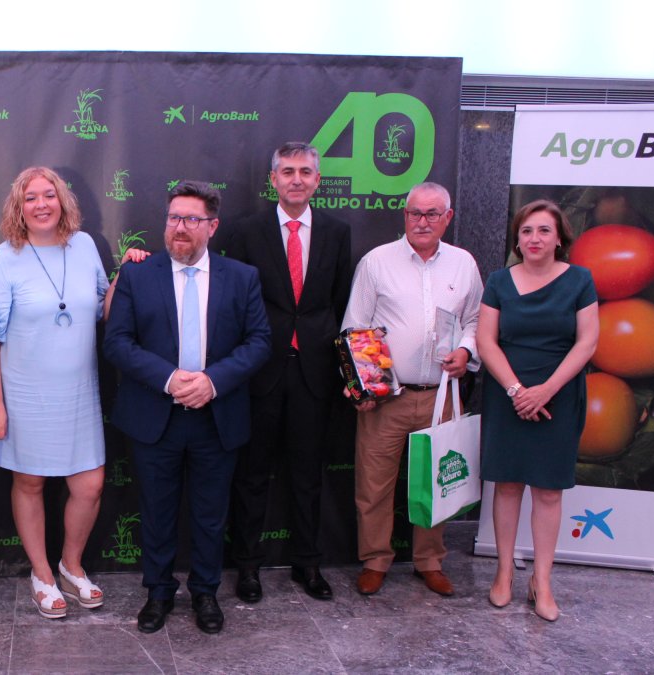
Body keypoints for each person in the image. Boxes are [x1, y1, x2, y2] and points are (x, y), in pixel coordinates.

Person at [0, 166, 143, 620]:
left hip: (79, 394)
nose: (42, 204)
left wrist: (127, 274)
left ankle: (71, 565)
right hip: (24, 395)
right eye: (31, 198)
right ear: (18, 207)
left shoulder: (85, 246)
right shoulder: (2, 259)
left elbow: (105, 310)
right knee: (29, 481)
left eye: (49, 195)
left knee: (90, 485)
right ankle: (42, 574)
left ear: (63, 201)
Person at [105, 180, 270, 634]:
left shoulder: (242, 277)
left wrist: (212, 382)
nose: (180, 228)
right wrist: (170, 378)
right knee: (156, 511)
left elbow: (259, 343)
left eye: (192, 220)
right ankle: (158, 593)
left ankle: (205, 592)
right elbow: (117, 342)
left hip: (216, 417)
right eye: (174, 218)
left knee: (210, 513)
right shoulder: (138, 275)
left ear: (212, 227)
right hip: (154, 416)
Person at [224, 142, 352, 602]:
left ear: (318, 180)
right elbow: (234, 303)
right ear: (273, 179)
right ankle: (248, 567)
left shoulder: (338, 233)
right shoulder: (246, 232)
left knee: (307, 476)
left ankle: (308, 564)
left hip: (315, 374)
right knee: (252, 476)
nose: (296, 179)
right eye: (287, 171)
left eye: (305, 171)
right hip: (259, 372)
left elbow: (337, 304)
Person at [341, 181, 483, 598]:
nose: (422, 221)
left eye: (432, 214)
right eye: (414, 213)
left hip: (443, 394)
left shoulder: (463, 264)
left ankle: (429, 561)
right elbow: (355, 327)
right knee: (374, 484)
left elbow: (474, 321)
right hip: (389, 397)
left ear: (447, 218)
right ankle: (375, 560)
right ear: (404, 216)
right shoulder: (376, 262)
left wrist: (465, 348)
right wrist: (365, 388)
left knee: (436, 481)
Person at [476, 200, 598, 622]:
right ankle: (504, 573)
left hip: (558, 395)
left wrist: (545, 390)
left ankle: (542, 581)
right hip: (506, 394)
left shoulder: (580, 280)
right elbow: (486, 341)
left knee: (548, 490)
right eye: (527, 231)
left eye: (544, 231)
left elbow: (587, 343)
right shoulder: (498, 281)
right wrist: (516, 390)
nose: (534, 239)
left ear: (559, 238)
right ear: (517, 238)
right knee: (507, 486)